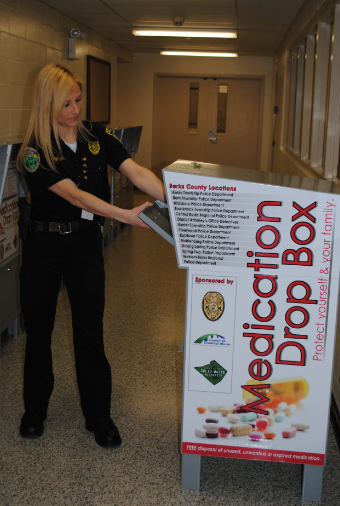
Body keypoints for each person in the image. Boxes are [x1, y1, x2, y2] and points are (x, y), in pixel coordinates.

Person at [16, 63, 165, 448]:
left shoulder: (99, 137)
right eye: (65, 103)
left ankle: (98, 415)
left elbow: (136, 172)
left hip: (84, 243)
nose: (75, 110)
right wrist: (125, 216)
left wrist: (178, 199)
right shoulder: (33, 152)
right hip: (43, 246)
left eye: (78, 100)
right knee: (39, 331)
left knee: (89, 329)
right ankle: (35, 410)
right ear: (47, 103)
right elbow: (76, 196)